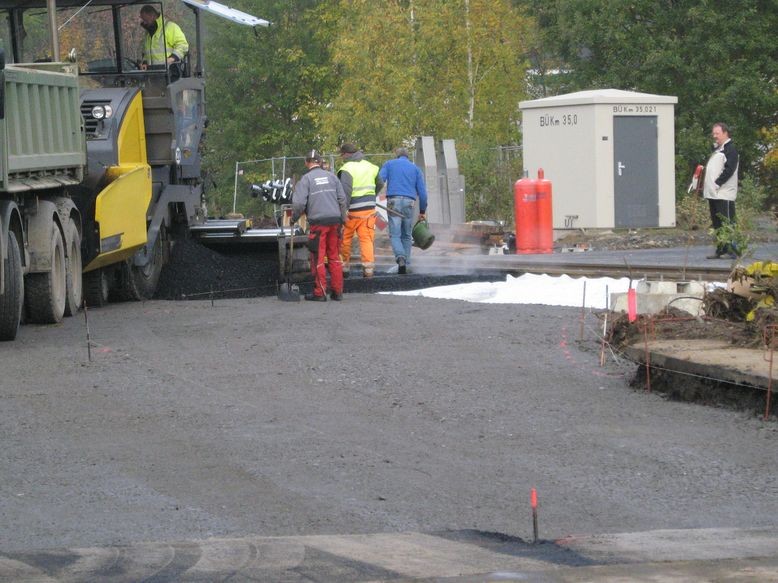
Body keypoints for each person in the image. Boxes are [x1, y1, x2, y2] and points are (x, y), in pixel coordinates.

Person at [291, 149, 348, 301]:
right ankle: (338, 292)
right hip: (335, 222)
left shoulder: (306, 180)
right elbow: (342, 200)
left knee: (318, 258)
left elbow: (298, 203)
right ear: (320, 161)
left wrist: (293, 218)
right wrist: (343, 221)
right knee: (334, 257)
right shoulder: (332, 177)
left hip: (318, 224)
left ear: (306, 163)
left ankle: (320, 293)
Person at [378, 147, 428, 274]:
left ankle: (400, 257)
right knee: (406, 234)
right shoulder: (416, 169)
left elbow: (379, 181)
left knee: (395, 234)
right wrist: (422, 211)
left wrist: (372, 195)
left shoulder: (389, 164)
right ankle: (407, 263)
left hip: (393, 201)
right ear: (408, 157)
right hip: (409, 203)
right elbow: (422, 193)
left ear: (397, 156)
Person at [338, 143, 384, 278]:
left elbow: (345, 192)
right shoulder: (371, 167)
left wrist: (343, 211)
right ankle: (368, 269)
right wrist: (370, 197)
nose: (341, 157)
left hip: (352, 211)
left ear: (346, 154)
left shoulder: (347, 169)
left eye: (342, 155)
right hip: (369, 210)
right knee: (366, 239)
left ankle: (344, 267)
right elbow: (380, 183)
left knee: (346, 239)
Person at [703, 122, 739, 259]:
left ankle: (733, 250)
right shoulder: (718, 150)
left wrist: (718, 183)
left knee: (727, 222)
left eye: (717, 133)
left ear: (725, 133)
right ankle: (721, 249)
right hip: (713, 194)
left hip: (724, 194)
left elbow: (730, 169)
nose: (714, 136)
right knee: (717, 223)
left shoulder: (731, 150)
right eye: (714, 133)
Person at [139, 4, 188, 70]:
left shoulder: (170, 27)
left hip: (170, 73)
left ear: (152, 16)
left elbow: (183, 45)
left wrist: (172, 58)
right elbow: (146, 52)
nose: (144, 23)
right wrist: (145, 62)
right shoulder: (148, 33)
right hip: (153, 73)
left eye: (146, 20)